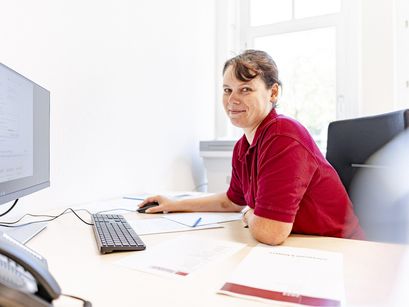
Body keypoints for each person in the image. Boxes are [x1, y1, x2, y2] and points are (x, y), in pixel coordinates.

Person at [139, 49, 364, 245]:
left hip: (340, 250)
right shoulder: (243, 146)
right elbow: (231, 201)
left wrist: (249, 214)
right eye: (227, 90)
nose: (232, 100)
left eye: (245, 89)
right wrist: (175, 204)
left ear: (273, 93)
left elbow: (271, 231)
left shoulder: (283, 136)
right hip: (304, 246)